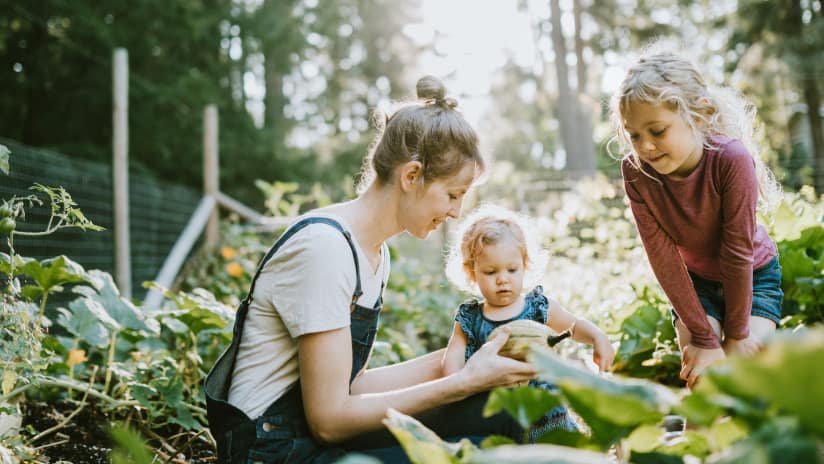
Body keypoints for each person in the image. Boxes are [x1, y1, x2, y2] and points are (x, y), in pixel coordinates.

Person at [204, 76, 538, 464]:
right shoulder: (325, 249)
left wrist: (474, 353)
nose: (456, 213)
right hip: (274, 451)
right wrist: (462, 383)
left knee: (508, 415)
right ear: (411, 176)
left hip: (312, 435)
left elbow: (351, 386)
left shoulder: (372, 252)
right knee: (479, 457)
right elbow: (328, 419)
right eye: (452, 194)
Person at [609, 50, 784, 389]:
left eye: (657, 131)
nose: (645, 146)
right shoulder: (636, 172)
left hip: (754, 276)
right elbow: (663, 259)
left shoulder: (731, 160)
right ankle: (698, 443)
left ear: (700, 115)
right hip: (695, 286)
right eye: (634, 135)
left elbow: (737, 253)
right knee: (705, 381)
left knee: (744, 379)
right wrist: (704, 339)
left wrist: (736, 334)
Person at [442, 204, 615, 441]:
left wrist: (597, 336)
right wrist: (458, 385)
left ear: (525, 265)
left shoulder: (537, 308)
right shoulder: (470, 318)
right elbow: (452, 362)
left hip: (548, 416)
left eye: (512, 270)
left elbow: (572, 325)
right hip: (499, 418)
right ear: (472, 273)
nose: (502, 279)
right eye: (491, 272)